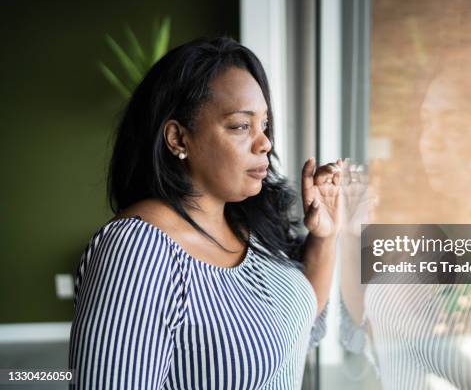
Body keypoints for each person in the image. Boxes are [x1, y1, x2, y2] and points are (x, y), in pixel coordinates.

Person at [68, 36, 343, 389]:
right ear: (178, 139)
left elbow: (297, 327)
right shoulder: (136, 252)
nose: (265, 143)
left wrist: (325, 234)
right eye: (241, 126)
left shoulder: (247, 224)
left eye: (264, 125)